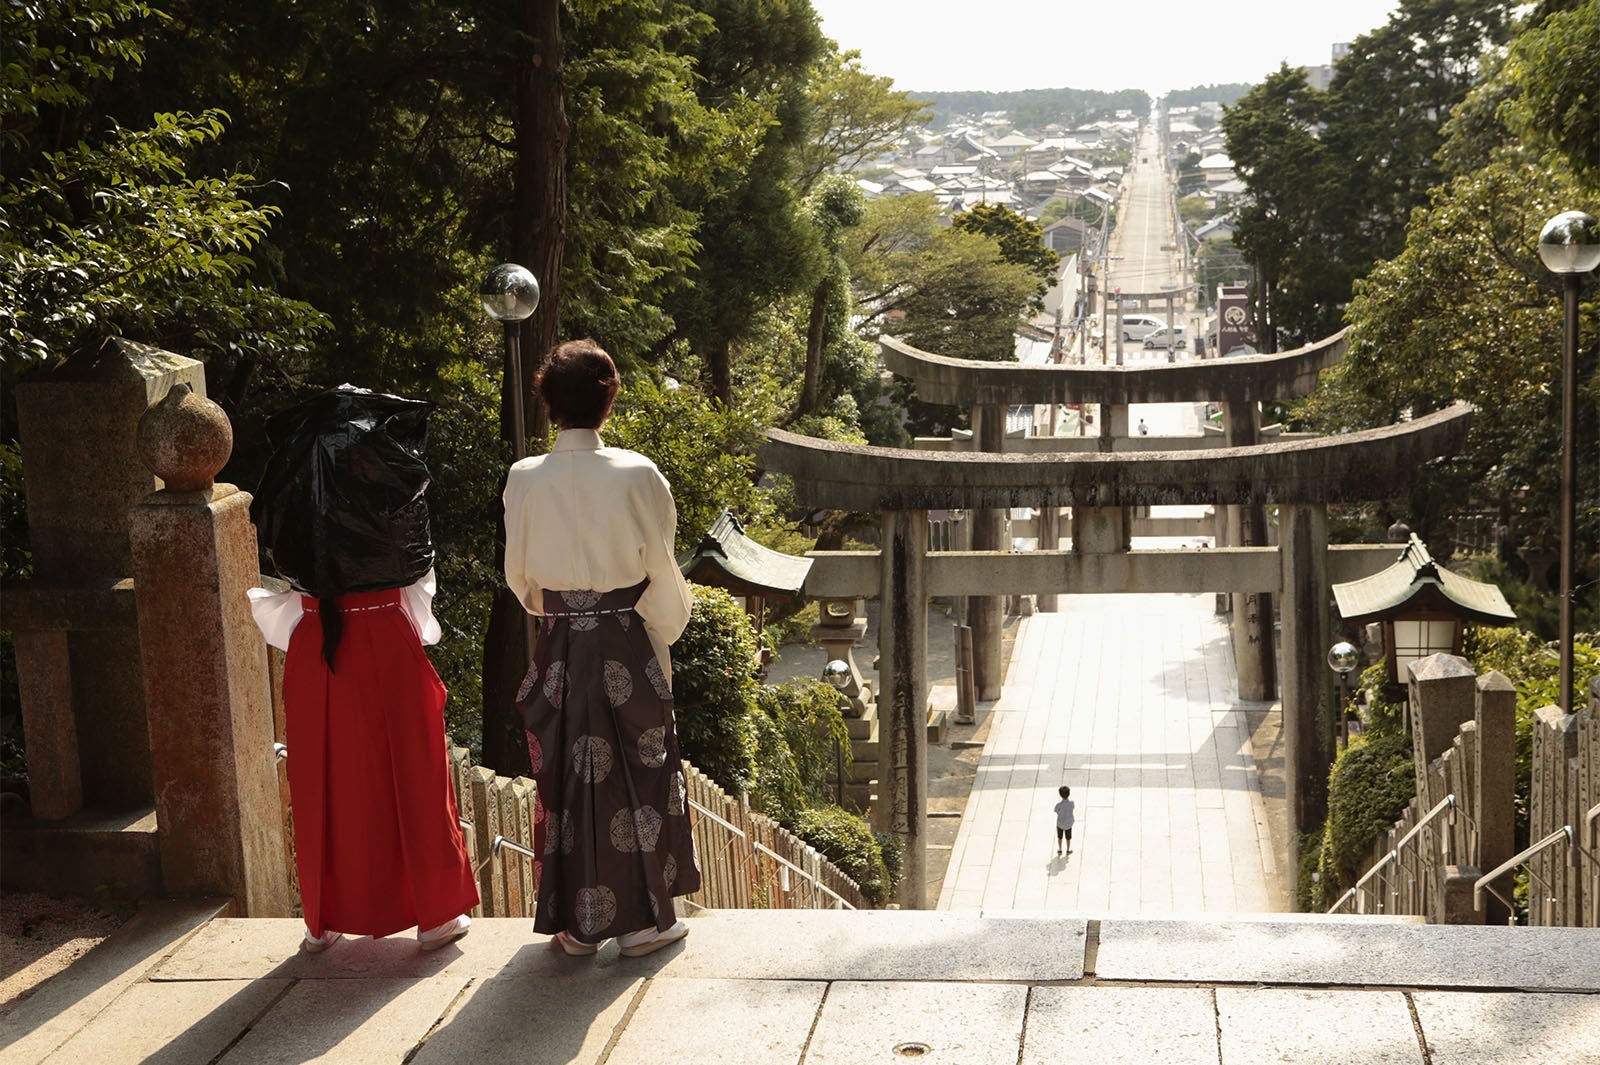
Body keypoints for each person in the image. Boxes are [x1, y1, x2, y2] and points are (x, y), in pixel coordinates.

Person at [249, 386, 479, 954]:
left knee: (319, 776)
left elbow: (282, 557)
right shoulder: (384, 465)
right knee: (414, 769)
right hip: (380, 629)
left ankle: (322, 919)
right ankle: (435, 914)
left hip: (313, 635)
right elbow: (413, 570)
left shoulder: (292, 464)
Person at [504, 339, 701, 958]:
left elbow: (522, 581)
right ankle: (643, 923)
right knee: (641, 774)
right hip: (626, 637)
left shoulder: (524, 478)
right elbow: (662, 564)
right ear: (608, 398)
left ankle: (572, 923)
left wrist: (563, 610)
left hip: (561, 641)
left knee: (562, 775)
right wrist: (658, 627)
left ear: (548, 401)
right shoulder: (638, 473)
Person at [1053, 785, 1075, 856]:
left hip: (1060, 823)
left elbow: (1055, 810)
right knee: (1068, 838)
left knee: (1060, 837)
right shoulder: (1072, 803)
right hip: (1068, 823)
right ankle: (1068, 850)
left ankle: (1060, 849)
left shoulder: (1058, 805)